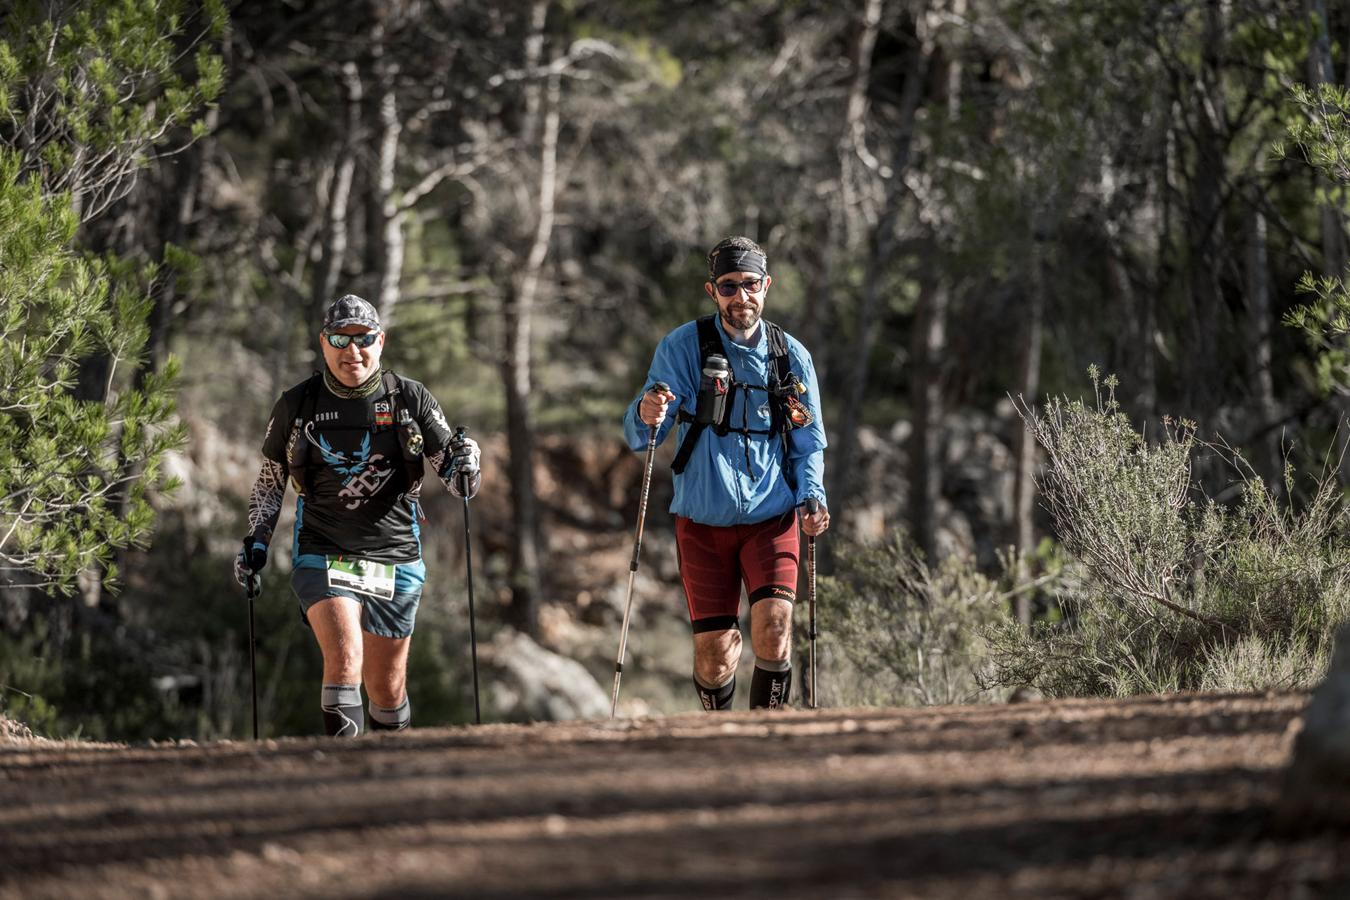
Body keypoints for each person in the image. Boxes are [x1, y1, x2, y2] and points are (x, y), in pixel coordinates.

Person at [234, 294, 481, 736]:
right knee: (346, 656)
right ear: (323, 343)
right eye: (340, 339)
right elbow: (270, 483)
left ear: (380, 341)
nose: (353, 351)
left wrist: (468, 460)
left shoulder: (410, 397)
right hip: (323, 552)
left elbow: (458, 480)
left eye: (363, 338)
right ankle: (341, 779)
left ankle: (387, 784)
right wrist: (255, 542)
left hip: (397, 557)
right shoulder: (297, 404)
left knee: (386, 687)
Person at [623, 236, 829, 711]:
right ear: (712, 290)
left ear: (767, 286)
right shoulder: (681, 346)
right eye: (729, 286)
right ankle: (720, 738)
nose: (742, 296)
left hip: (772, 517)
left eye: (750, 284)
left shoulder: (789, 356)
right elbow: (641, 435)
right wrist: (648, 410)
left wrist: (812, 495)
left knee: (775, 629)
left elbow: (808, 441)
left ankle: (767, 740)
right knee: (715, 657)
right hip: (701, 521)